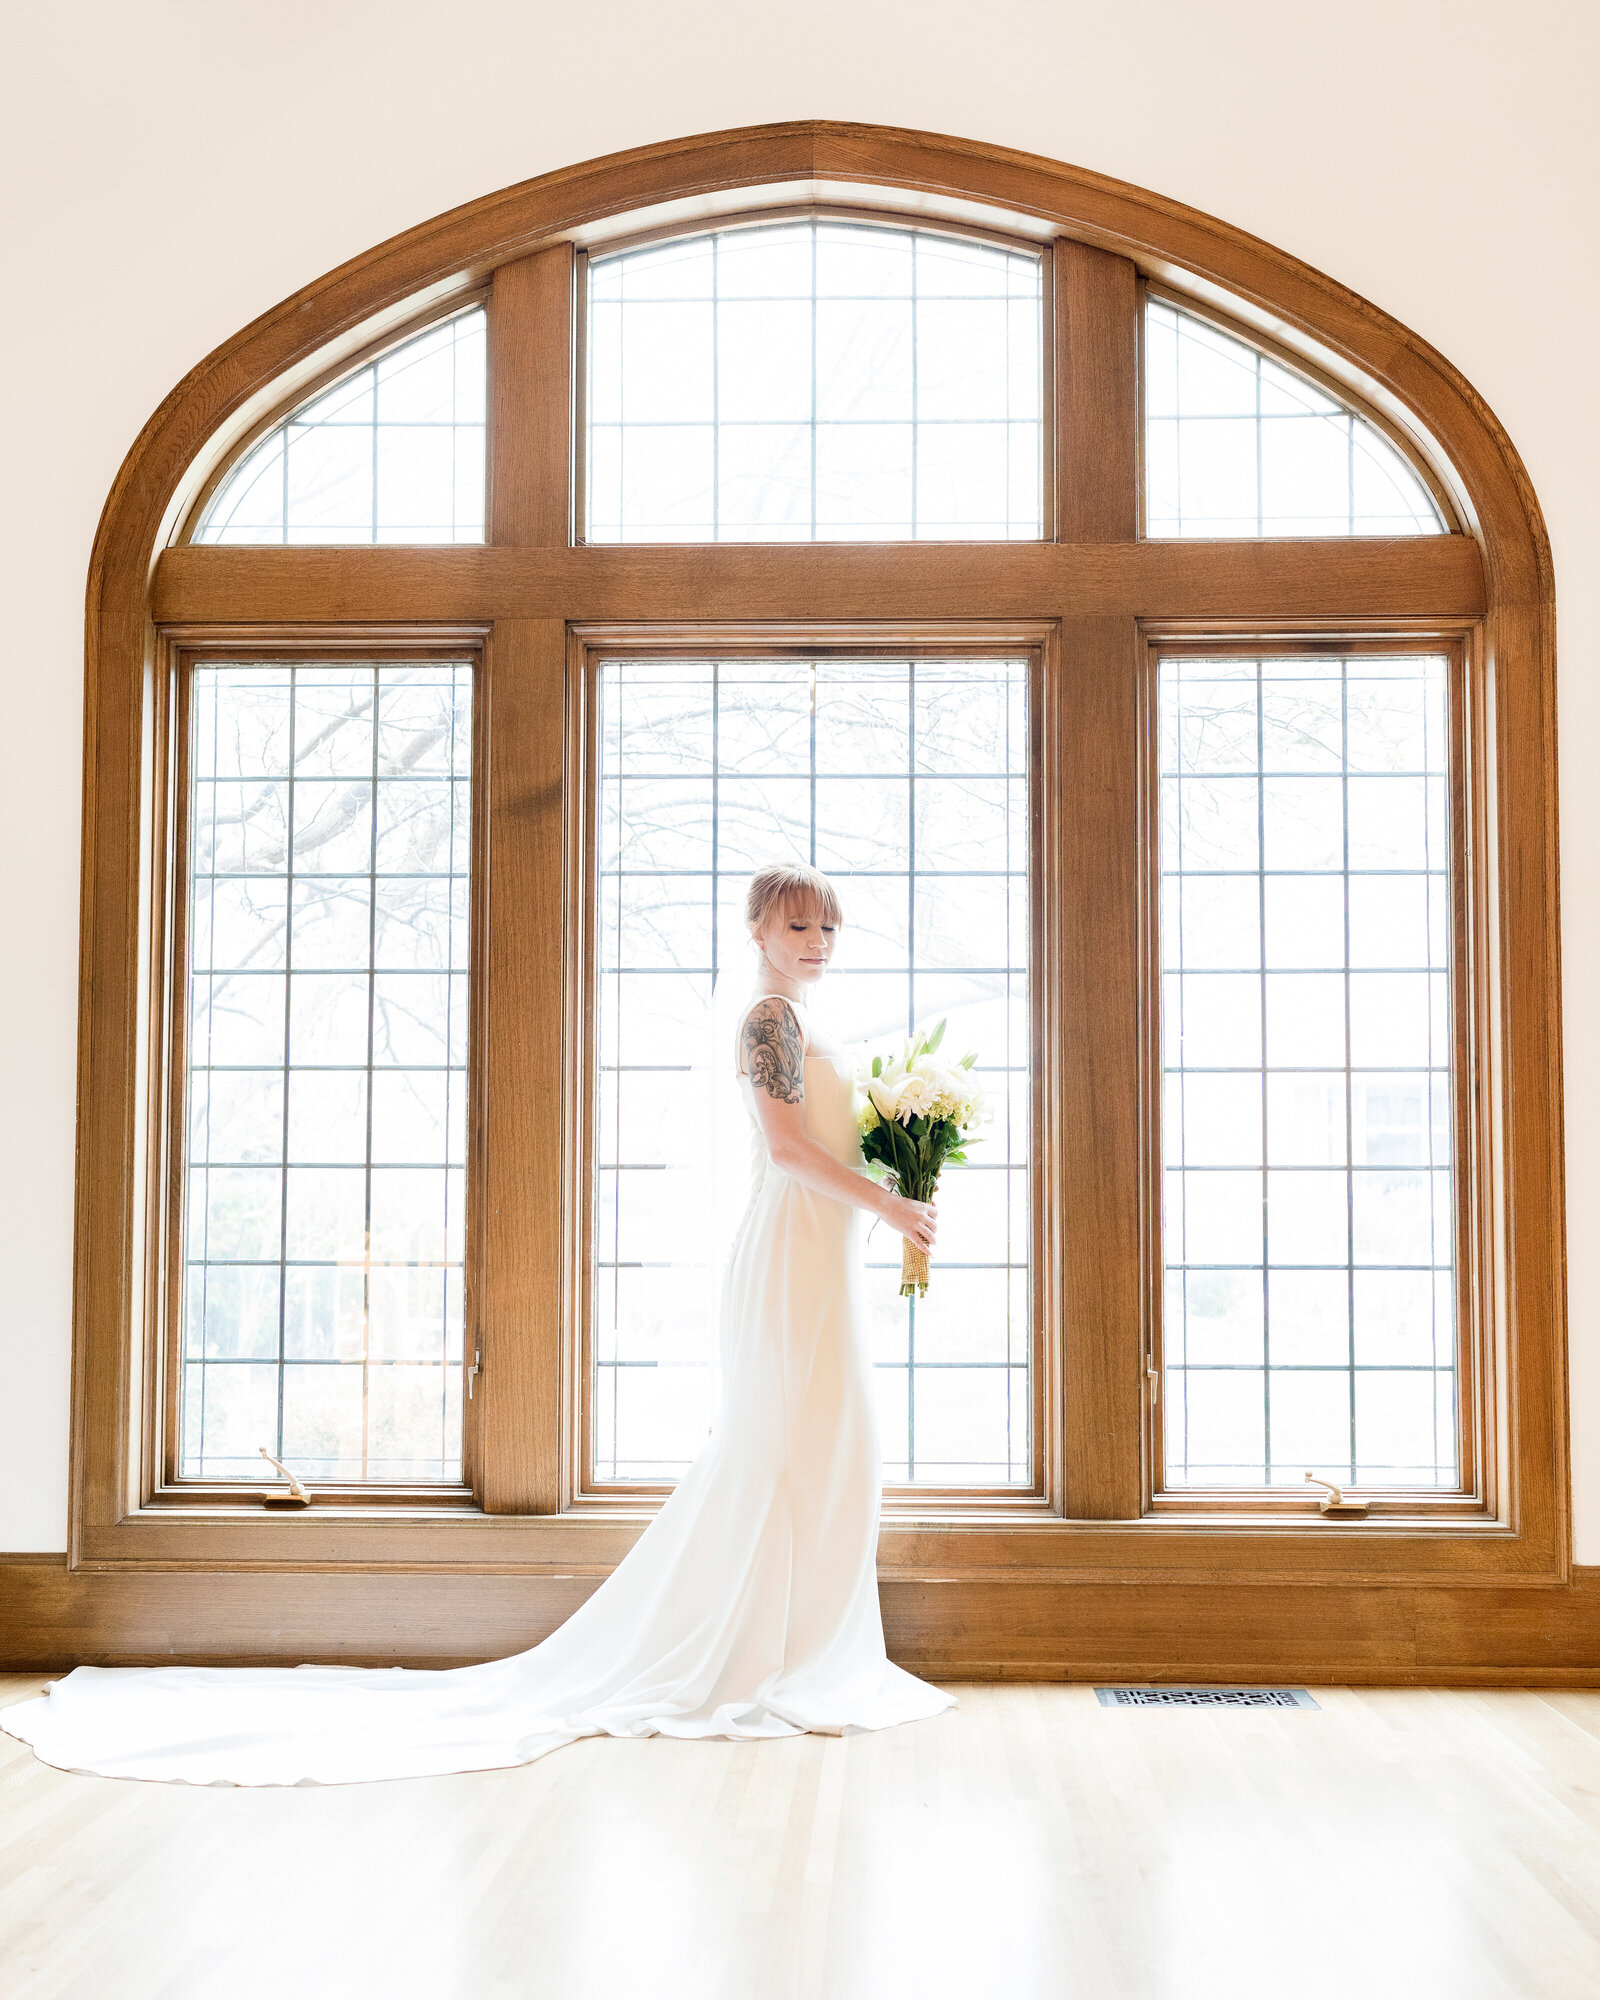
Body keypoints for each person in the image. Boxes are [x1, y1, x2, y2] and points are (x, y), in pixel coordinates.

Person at [0, 863, 953, 1785]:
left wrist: (898, 1188)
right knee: (790, 1446)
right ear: (757, 932)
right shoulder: (767, 1021)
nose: (816, 942)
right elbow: (787, 1150)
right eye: (797, 925)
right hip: (791, 1254)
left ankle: (801, 1649)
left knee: (831, 1448)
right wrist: (890, 1203)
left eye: (827, 927)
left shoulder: (804, 1022)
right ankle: (760, 1657)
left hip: (824, 1253)